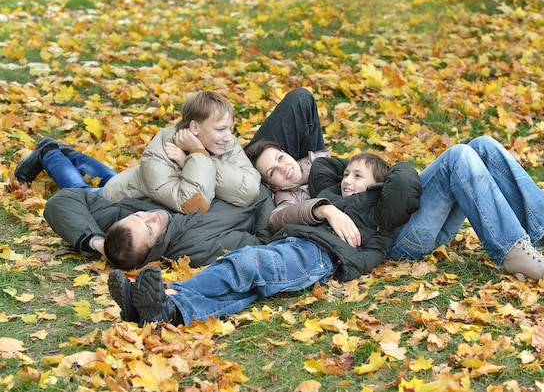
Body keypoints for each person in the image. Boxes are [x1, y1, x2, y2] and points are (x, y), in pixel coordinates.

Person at [246, 129, 544, 281]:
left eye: (280, 156)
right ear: (268, 183)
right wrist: (325, 208)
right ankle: (514, 250)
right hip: (396, 240)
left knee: (480, 145)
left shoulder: (324, 164)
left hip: (404, 217)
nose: (283, 166)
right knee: (456, 157)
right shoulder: (287, 199)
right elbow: (278, 219)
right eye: (273, 171)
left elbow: (378, 176)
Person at [107, 152, 422, 326]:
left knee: (244, 265)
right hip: (293, 247)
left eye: (357, 176)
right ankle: (166, 313)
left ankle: (165, 292)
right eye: (347, 174)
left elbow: (405, 180)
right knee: (244, 290)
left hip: (317, 255)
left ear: (380, 187)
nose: (347, 180)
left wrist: (380, 171)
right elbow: (324, 164)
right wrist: (353, 169)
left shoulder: (380, 215)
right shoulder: (331, 194)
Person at [17, 89, 320, 214]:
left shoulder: (219, 143)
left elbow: (247, 189)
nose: (230, 138)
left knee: (111, 175)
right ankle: (49, 154)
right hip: (117, 200)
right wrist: (200, 156)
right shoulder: (159, 153)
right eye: (221, 130)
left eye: (230, 128)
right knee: (83, 188)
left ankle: (60, 150)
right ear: (195, 127)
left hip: (134, 180)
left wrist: (195, 155)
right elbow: (193, 203)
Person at [43, 186, 275, 271]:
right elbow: (264, 242)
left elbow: (61, 200)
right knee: (300, 99)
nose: (151, 216)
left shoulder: (123, 228)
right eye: (150, 229)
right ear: (154, 249)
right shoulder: (196, 248)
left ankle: (51, 152)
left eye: (139, 215)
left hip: (230, 168)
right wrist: (265, 191)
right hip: (267, 190)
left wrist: (97, 243)